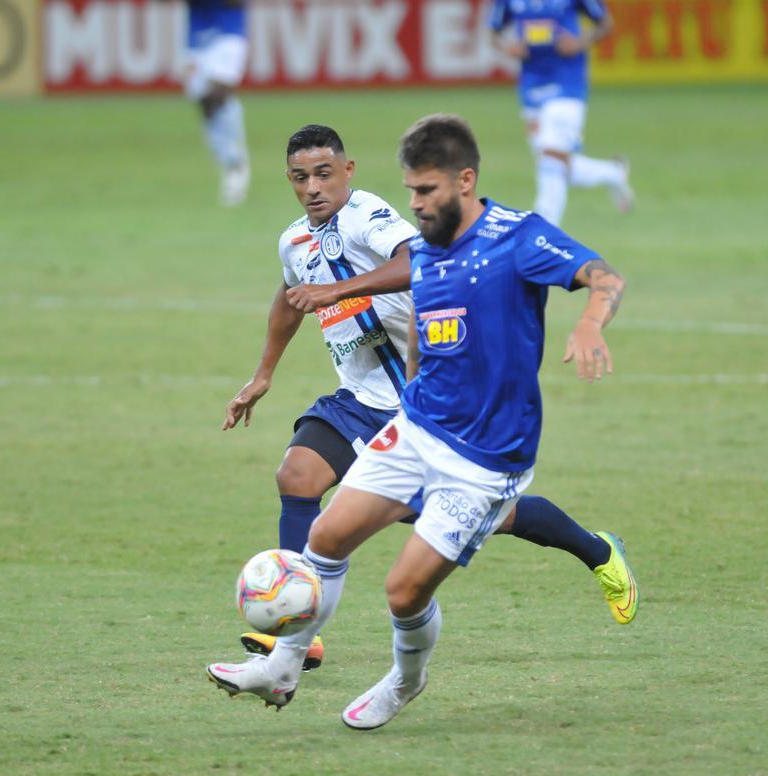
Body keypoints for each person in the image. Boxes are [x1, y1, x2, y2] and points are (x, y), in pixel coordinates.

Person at [209, 114, 635, 729]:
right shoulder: (426, 249)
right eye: (411, 190)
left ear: (465, 181)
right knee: (321, 528)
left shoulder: (511, 237)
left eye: (425, 191)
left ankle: (408, 680)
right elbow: (414, 337)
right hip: (408, 421)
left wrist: (591, 322)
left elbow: (604, 277)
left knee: (405, 590)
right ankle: (286, 662)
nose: (413, 205)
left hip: (486, 451)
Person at [490, 0, 634, 225]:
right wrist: (510, 47)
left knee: (550, 159)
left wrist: (579, 42)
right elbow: (493, 32)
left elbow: (605, 23)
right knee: (555, 164)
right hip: (532, 87)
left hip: (568, 83)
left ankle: (543, 229)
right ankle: (613, 172)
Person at [182, 0, 250, 206]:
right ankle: (228, 159)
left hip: (228, 32)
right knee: (205, 103)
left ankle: (237, 163)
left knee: (219, 92)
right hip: (197, 37)